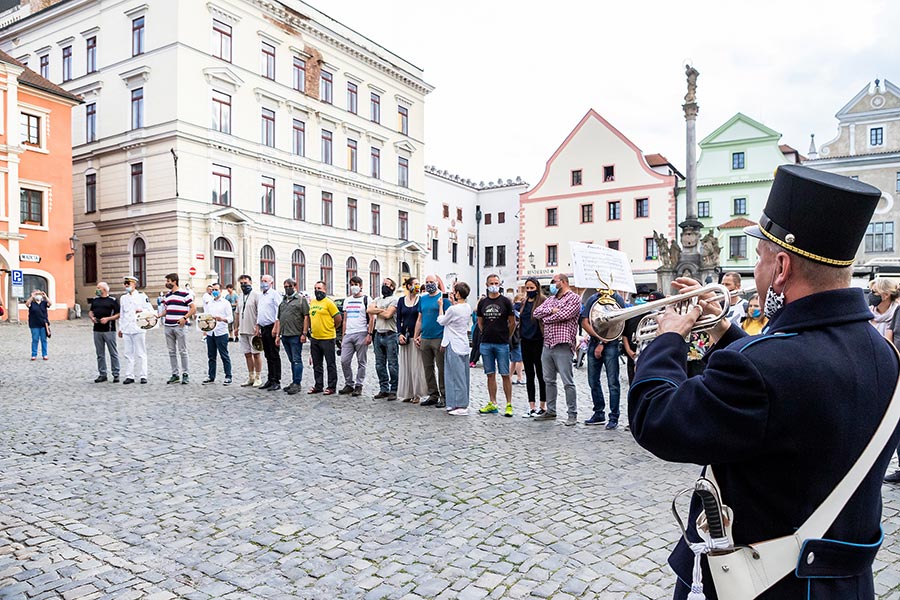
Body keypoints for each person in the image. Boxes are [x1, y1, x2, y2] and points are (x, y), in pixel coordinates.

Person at [628, 165, 900, 599]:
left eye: (759, 258)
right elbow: (785, 389)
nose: (755, 270)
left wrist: (667, 340)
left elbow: (655, 418)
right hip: (842, 585)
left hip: (763, 584)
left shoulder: (764, 367)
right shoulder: (883, 353)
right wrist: (722, 333)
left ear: (781, 268)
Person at [532, 273, 582, 425]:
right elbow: (536, 313)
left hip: (563, 343)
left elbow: (564, 315)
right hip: (548, 343)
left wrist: (548, 316)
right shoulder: (551, 299)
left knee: (567, 381)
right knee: (548, 380)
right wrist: (551, 312)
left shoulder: (574, 298)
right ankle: (551, 410)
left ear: (564, 282)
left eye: (554, 281)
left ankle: (572, 413)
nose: (552, 284)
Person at [580, 287, 625, 429]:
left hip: (611, 344)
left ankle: (614, 416)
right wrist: (598, 337)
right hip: (595, 342)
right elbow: (584, 321)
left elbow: (618, 323)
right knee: (593, 381)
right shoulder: (593, 298)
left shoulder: (617, 299)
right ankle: (599, 412)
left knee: (613, 382)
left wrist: (602, 342)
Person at [475, 274, 516, 417]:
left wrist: (506, 336)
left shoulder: (506, 302)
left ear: (500, 284)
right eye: (491, 283)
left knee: (505, 374)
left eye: (496, 282)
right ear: (487, 285)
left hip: (502, 343)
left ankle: (509, 404)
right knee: (490, 374)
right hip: (486, 342)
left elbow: (512, 322)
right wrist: (484, 332)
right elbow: (479, 322)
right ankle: (493, 403)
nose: (494, 285)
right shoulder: (482, 303)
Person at [415, 274, 450, 408]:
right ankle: (433, 394)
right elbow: (420, 319)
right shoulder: (422, 299)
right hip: (425, 337)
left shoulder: (443, 298)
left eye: (431, 282)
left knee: (441, 368)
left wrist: (446, 339)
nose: (429, 284)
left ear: (436, 282)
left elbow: (448, 319)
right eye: (427, 282)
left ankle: (444, 395)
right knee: (427, 368)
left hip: (439, 337)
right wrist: (416, 335)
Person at [437, 281, 472, 415]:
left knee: (454, 375)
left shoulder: (453, 309)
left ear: (458, 293)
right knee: (460, 374)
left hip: (453, 343)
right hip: (462, 342)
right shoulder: (467, 307)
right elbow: (456, 313)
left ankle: (461, 405)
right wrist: (453, 303)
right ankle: (454, 403)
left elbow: (442, 320)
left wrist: (441, 307)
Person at [338, 276, 373, 397]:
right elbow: (344, 320)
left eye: (356, 284)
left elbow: (372, 317)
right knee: (344, 360)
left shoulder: (366, 299)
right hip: (349, 333)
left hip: (361, 332)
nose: (354, 286)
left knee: (361, 361)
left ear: (361, 285)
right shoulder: (347, 300)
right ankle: (349, 383)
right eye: (352, 284)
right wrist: (343, 336)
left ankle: (359, 385)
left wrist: (369, 334)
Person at [396, 277, 428, 403]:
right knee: (406, 365)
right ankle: (408, 392)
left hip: (416, 336)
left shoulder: (421, 300)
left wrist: (421, 334)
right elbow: (398, 318)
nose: (416, 286)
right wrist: (399, 334)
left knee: (416, 365)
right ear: (408, 286)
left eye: (418, 284)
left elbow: (424, 317)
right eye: (414, 284)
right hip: (405, 335)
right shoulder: (401, 300)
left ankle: (417, 393)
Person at [160, 273, 195, 385]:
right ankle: (175, 374)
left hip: (180, 326)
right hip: (168, 326)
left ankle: (185, 374)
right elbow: (167, 309)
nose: (167, 283)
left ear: (174, 281)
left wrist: (185, 318)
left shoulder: (185, 293)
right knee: (171, 351)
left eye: (168, 281)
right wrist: (158, 315)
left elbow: (193, 308)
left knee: (183, 351)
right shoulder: (168, 295)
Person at [308, 280, 342, 395]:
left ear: (325, 290)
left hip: (327, 337)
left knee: (330, 363)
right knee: (317, 364)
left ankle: (331, 387)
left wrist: (331, 328)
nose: (317, 291)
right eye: (316, 288)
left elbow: (338, 319)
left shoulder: (329, 303)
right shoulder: (312, 302)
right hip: (315, 337)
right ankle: (318, 385)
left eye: (319, 288)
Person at [368, 277, 399, 400]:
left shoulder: (395, 300)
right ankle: (383, 388)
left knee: (392, 364)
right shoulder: (377, 299)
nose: (384, 286)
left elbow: (388, 315)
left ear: (392, 287)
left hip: (391, 334)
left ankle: (394, 389)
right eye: (383, 284)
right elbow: (369, 309)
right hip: (378, 334)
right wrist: (382, 310)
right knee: (379, 364)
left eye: (386, 284)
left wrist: (378, 311)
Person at [519, 277, 547, 417]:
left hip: (538, 340)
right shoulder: (524, 302)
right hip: (525, 341)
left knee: (541, 374)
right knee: (529, 374)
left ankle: (543, 405)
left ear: (537, 287)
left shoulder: (542, 300)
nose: (529, 290)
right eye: (527, 288)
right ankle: (532, 405)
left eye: (532, 288)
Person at [118, 275, 152, 384]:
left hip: (138, 328)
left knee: (141, 353)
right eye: (125, 284)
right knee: (128, 353)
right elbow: (122, 314)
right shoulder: (123, 298)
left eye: (129, 283)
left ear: (135, 284)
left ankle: (143, 375)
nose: (127, 285)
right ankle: (129, 375)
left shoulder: (142, 296)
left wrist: (141, 310)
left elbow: (150, 310)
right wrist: (121, 328)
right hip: (127, 328)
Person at [278, 277, 309, 395]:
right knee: (292, 360)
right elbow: (279, 318)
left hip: (296, 334)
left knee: (296, 359)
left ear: (294, 286)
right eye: (285, 287)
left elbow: (306, 317)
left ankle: (297, 383)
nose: (287, 289)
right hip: (285, 334)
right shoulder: (283, 301)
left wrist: (304, 333)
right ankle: (293, 381)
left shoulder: (301, 300)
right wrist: (278, 335)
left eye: (289, 286)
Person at [255, 274, 283, 391]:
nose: (263, 283)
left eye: (265, 281)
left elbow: (278, 312)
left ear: (271, 282)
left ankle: (276, 380)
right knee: (267, 354)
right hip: (263, 327)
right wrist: (257, 326)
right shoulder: (261, 296)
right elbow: (260, 312)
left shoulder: (274, 294)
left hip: (272, 326)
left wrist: (276, 329)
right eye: (262, 281)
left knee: (274, 354)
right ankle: (270, 378)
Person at [202, 282, 233, 385]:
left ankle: (228, 376)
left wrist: (222, 319)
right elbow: (206, 316)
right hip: (211, 333)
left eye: (216, 290)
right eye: (213, 290)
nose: (214, 291)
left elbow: (230, 318)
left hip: (221, 332)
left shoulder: (225, 303)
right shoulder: (210, 303)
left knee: (224, 355)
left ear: (220, 290)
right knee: (211, 356)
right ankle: (211, 376)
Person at [88, 282, 120, 383]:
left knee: (113, 353)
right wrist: (92, 317)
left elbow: (118, 314)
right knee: (100, 353)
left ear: (104, 289)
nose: (97, 289)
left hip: (109, 330)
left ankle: (116, 373)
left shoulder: (113, 300)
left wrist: (108, 319)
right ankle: (102, 374)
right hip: (97, 329)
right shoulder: (95, 300)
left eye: (99, 288)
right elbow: (91, 311)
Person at [236, 275, 263, 387]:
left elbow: (260, 312)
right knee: (247, 354)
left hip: (253, 329)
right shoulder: (240, 296)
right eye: (241, 283)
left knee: (256, 354)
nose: (244, 285)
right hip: (243, 329)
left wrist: (258, 326)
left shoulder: (256, 296)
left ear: (251, 282)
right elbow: (237, 313)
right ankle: (251, 376)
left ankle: (258, 377)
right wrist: (236, 327)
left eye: (245, 283)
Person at [869, 277, 899, 343]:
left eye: (875, 292)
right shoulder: (868, 313)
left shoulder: (897, 314)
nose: (871, 295)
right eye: (871, 291)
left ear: (886, 295)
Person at [25, 289, 50, 360]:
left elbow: (50, 303)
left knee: (44, 340)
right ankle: (34, 354)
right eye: (36, 294)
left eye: (38, 294)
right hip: (34, 324)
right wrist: (32, 297)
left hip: (43, 324)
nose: (38, 296)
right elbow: (27, 304)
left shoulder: (44, 303)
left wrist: (46, 297)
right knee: (35, 339)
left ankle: (45, 354)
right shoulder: (32, 303)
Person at [510, 292, 525, 384]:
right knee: (519, 360)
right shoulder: (517, 312)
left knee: (514, 360)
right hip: (517, 338)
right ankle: (519, 377)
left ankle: (510, 376)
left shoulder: (513, 310)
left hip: (514, 339)